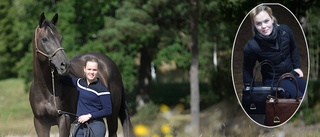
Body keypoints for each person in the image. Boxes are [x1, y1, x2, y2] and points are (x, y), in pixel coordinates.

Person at [243, 5, 306, 99]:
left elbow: (293, 48)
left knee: (305, 89)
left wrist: (297, 67)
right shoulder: (252, 46)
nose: (263, 26)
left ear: (272, 19)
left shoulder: (285, 31)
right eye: (258, 24)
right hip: (274, 81)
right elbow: (247, 70)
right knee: (298, 98)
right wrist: (248, 91)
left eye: (266, 21)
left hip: (291, 74)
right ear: (254, 25)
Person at [62, 56, 112, 137]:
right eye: (89, 69)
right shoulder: (79, 82)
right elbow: (62, 79)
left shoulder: (102, 89)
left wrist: (89, 116)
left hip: (96, 127)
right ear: (84, 69)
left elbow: (108, 110)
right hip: (80, 126)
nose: (91, 72)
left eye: (94, 70)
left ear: (97, 71)